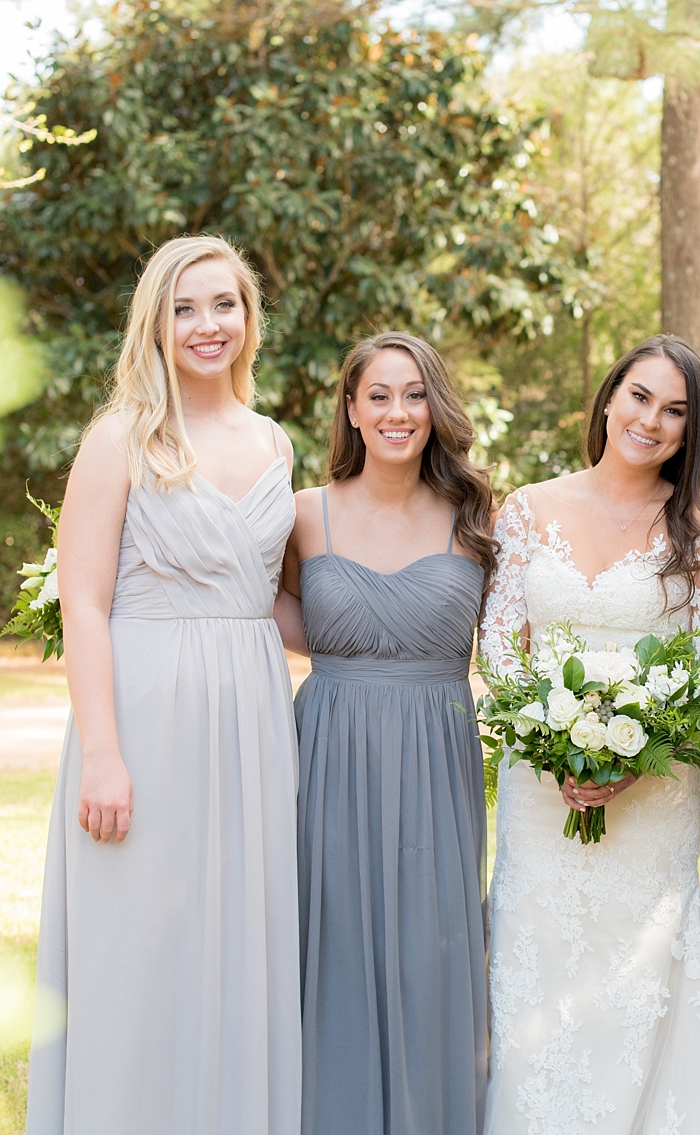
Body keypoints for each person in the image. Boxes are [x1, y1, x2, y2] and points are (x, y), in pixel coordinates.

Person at [26, 235, 301, 1135]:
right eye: (185, 308)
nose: (206, 324)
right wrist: (102, 754)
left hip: (253, 720)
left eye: (224, 304)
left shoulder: (274, 441)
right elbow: (85, 604)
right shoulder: (121, 439)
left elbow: (272, 604)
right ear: (156, 322)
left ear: (249, 318)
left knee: (234, 947)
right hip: (144, 720)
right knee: (137, 950)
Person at [478, 334, 700, 1135]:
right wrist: (548, 738)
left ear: (691, 429)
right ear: (608, 397)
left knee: (639, 976)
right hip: (539, 786)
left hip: (654, 790)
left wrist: (631, 758)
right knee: (539, 967)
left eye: (676, 410)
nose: (652, 420)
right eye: (640, 396)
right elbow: (498, 643)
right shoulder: (528, 508)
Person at [274, 332, 494, 1135]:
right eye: (380, 395)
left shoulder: (476, 515)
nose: (398, 412)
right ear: (352, 410)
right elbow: (265, 612)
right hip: (330, 749)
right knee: (331, 941)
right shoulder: (303, 513)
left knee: (431, 950)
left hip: (438, 752)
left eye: (414, 394)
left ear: (435, 407)